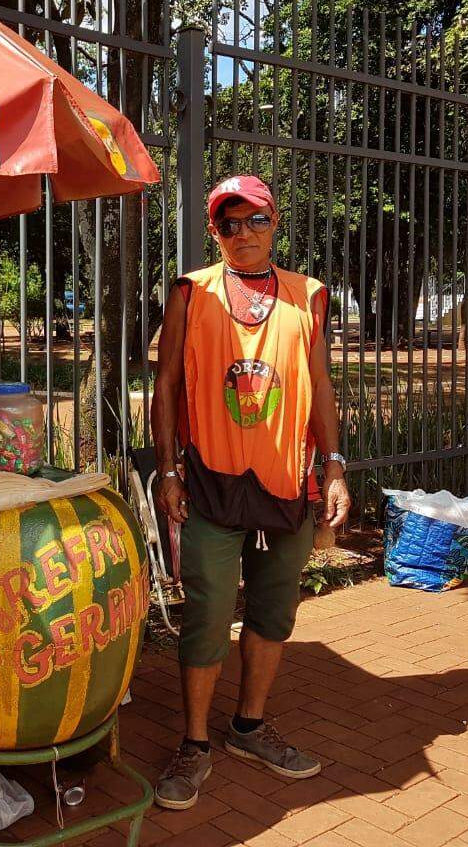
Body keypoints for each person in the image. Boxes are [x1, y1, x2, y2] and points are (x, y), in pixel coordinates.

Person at [150, 175, 351, 811]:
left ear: (275, 222)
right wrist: (169, 471)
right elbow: (166, 390)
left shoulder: (307, 297)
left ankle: (248, 727)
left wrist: (336, 466)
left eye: (254, 220)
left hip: (287, 484)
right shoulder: (191, 292)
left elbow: (318, 385)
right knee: (208, 614)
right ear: (215, 231)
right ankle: (193, 744)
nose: (242, 233)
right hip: (210, 481)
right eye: (228, 223)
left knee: (273, 611)